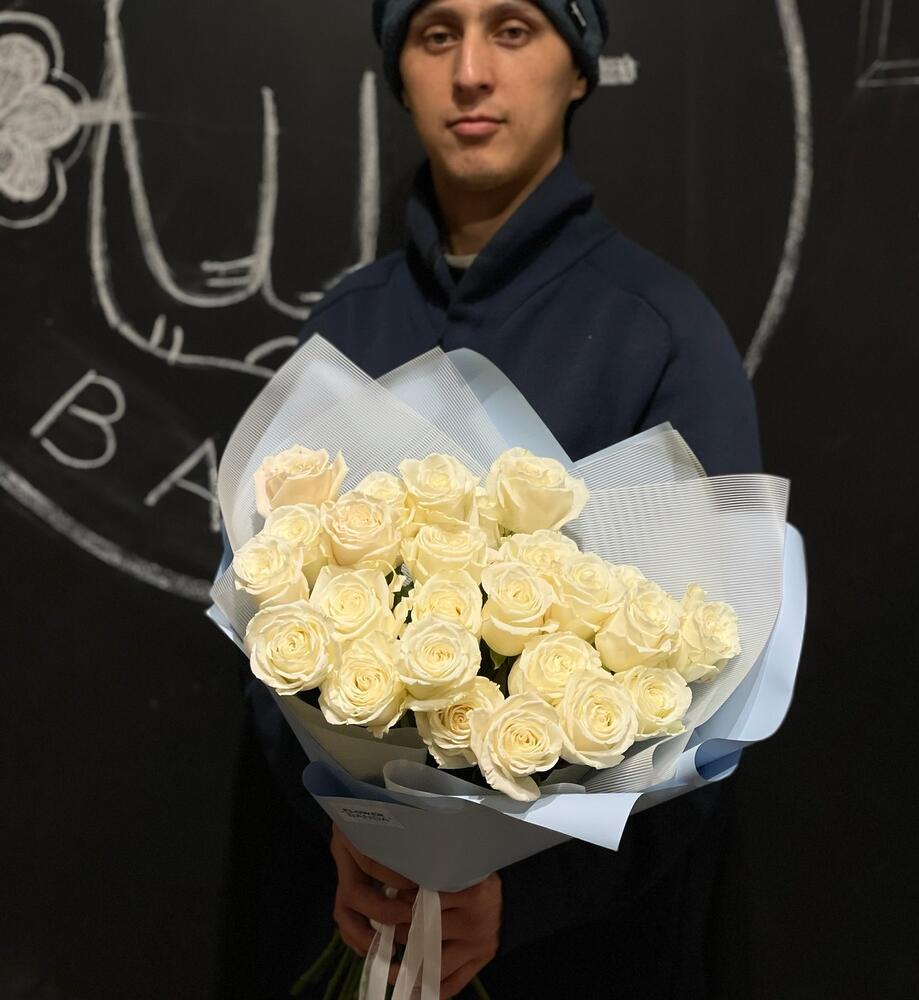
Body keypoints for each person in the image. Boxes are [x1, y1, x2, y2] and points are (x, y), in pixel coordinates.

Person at [220, 1, 762, 997]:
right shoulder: (345, 327)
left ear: (580, 68)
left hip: (579, 963)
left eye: (513, 30)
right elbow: (264, 626)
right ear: (401, 72)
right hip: (353, 917)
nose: (471, 71)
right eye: (436, 35)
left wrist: (525, 895)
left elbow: (717, 683)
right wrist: (350, 826)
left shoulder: (664, 332)